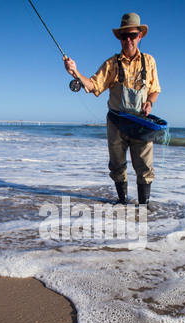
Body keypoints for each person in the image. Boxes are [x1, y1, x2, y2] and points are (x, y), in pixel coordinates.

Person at [64, 13, 161, 206]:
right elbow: (92, 86)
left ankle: (143, 205)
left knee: (144, 166)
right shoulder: (111, 64)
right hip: (116, 122)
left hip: (141, 124)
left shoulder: (149, 61)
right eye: (124, 36)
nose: (128, 40)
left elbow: (155, 89)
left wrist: (150, 103)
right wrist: (75, 71)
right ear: (120, 38)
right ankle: (122, 202)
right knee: (117, 165)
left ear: (139, 36)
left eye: (132, 35)